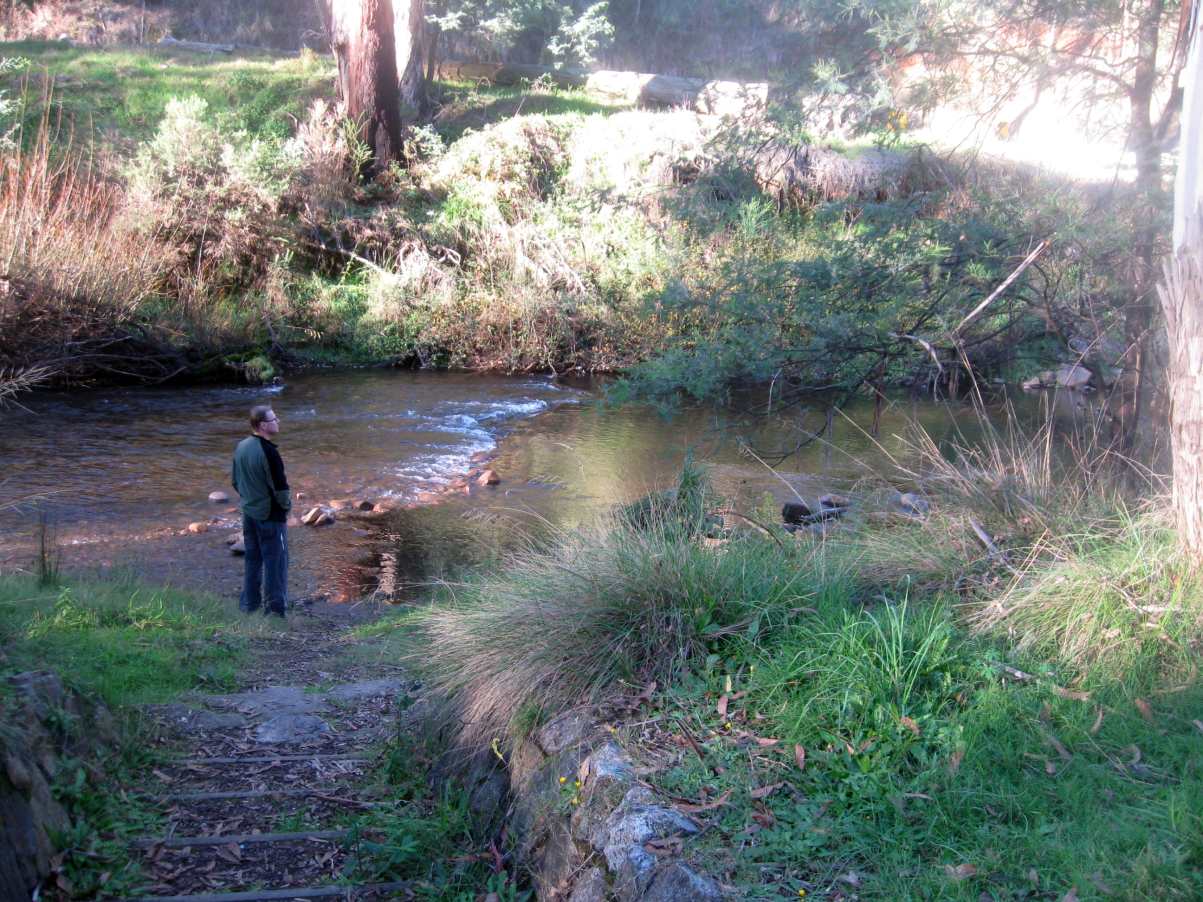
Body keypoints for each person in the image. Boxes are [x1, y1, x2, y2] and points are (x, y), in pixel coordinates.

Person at [231, 404, 291, 617]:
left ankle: (249, 605)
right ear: (263, 425)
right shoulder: (269, 452)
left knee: (253, 560)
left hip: (249, 513)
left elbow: (235, 481)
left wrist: (250, 500)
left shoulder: (241, 446)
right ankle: (275, 610)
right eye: (274, 419)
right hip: (270, 516)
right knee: (277, 562)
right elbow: (281, 488)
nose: (278, 422)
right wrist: (285, 508)